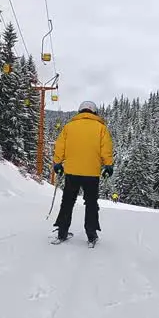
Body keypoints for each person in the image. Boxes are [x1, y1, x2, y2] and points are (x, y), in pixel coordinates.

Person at [52, 101, 115, 244]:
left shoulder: (69, 127)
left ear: (80, 111)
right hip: (92, 173)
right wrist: (108, 165)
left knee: (67, 202)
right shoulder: (101, 128)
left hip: (72, 172)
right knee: (91, 203)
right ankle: (91, 235)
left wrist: (57, 163)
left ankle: (62, 233)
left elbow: (60, 146)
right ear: (94, 112)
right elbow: (106, 149)